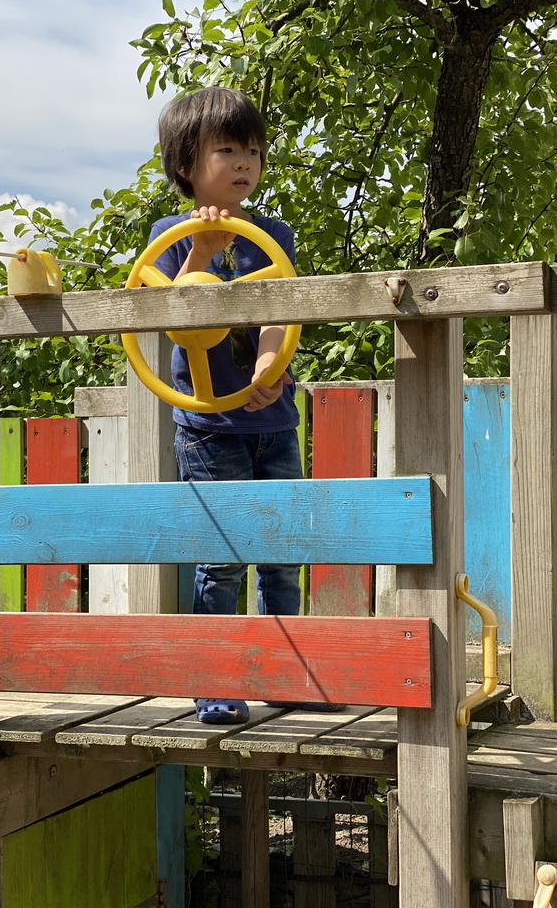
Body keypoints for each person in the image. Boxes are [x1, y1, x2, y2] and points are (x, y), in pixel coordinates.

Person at [149, 86, 341, 724]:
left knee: (282, 553)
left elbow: (278, 313)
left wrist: (268, 368)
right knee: (223, 555)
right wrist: (202, 254)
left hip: (272, 422)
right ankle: (218, 682)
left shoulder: (273, 235)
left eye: (253, 150)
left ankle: (284, 676)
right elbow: (173, 316)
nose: (244, 162)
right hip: (209, 426)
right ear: (185, 164)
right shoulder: (168, 236)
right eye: (226, 149)